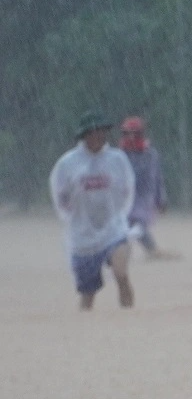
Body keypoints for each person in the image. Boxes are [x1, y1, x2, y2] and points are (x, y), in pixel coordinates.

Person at [50, 111, 136, 310]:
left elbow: (128, 189)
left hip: (114, 230)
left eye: (100, 132)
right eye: (91, 133)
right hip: (83, 236)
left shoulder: (118, 159)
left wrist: (120, 216)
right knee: (88, 293)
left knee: (121, 274)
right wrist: (70, 217)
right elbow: (59, 195)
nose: (97, 137)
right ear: (83, 136)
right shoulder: (67, 163)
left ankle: (130, 317)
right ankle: (86, 328)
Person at [118, 117, 174, 259]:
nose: (131, 137)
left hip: (144, 199)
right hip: (123, 199)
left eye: (135, 133)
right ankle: (151, 250)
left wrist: (161, 200)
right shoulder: (118, 156)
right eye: (127, 133)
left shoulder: (150, 154)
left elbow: (157, 179)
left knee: (139, 225)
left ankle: (151, 251)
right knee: (130, 226)